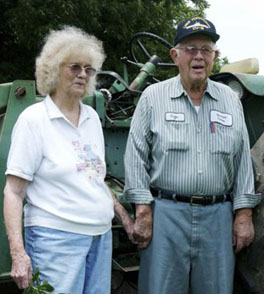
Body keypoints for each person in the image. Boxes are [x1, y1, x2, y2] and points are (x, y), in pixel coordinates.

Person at [124, 16, 261, 294]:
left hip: (218, 218)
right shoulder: (153, 96)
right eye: (190, 49)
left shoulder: (230, 100)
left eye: (206, 49)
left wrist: (244, 214)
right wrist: (142, 210)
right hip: (165, 215)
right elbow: (136, 156)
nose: (198, 56)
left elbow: (242, 163)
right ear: (175, 55)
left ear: (215, 57)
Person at [3, 26, 134, 294]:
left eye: (89, 69)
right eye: (74, 67)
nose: (83, 74)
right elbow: (14, 192)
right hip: (56, 240)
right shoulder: (34, 120)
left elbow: (93, 177)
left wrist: (122, 215)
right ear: (53, 69)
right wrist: (18, 253)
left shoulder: (91, 119)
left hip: (100, 236)